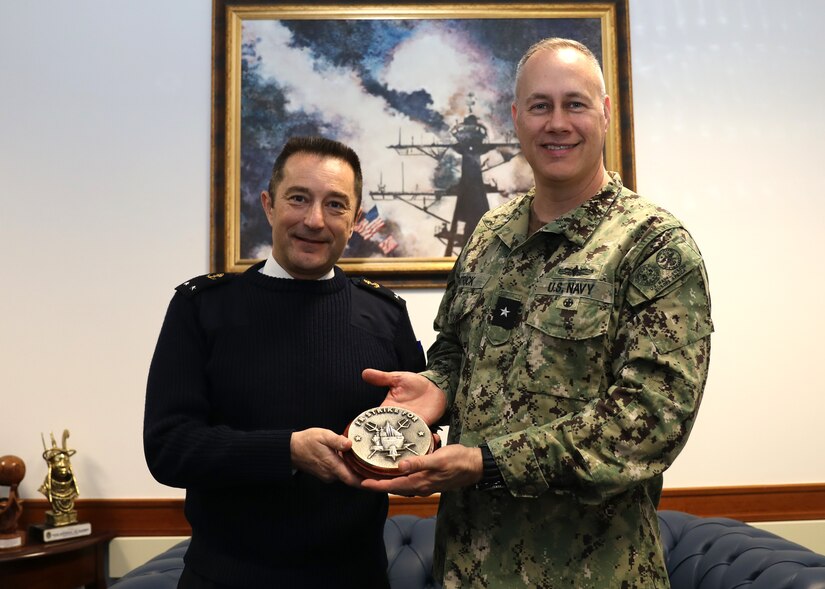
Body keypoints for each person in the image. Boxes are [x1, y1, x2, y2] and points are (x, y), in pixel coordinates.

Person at [361, 38, 714, 588]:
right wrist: (434, 389)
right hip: (468, 567)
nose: (557, 123)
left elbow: (652, 423)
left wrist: (487, 462)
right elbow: (457, 353)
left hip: (593, 572)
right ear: (516, 118)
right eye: (540, 105)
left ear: (603, 112)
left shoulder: (653, 247)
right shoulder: (488, 237)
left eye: (574, 104)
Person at [144, 136, 425, 588]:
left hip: (355, 579)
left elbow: (417, 430)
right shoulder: (201, 308)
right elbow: (168, 448)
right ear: (269, 205)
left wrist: (422, 458)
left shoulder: (386, 316)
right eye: (299, 198)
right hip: (226, 579)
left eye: (335, 205)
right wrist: (286, 451)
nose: (314, 220)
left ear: (355, 221)